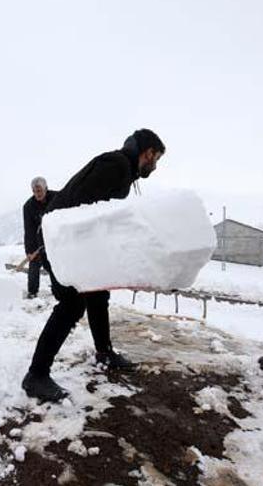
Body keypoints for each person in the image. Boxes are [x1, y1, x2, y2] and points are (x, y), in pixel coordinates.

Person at [22, 129, 166, 402]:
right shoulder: (117, 166)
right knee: (72, 304)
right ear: (147, 153)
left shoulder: (121, 168)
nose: (155, 166)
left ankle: (104, 352)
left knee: (98, 293)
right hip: (61, 241)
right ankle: (36, 375)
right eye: (155, 158)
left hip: (74, 240)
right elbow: (84, 208)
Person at [22, 177, 56, 298]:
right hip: (38, 240)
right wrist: (30, 251)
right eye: (35, 191)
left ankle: (58, 289)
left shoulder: (57, 198)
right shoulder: (28, 207)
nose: (37, 194)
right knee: (34, 263)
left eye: (40, 190)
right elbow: (29, 230)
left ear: (46, 188)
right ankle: (32, 292)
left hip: (55, 238)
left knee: (55, 265)